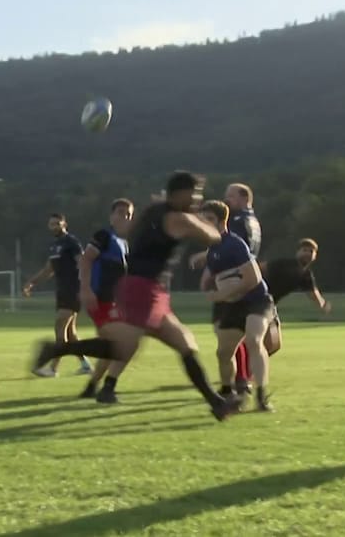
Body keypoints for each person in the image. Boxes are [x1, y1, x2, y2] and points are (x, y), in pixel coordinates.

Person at [32, 171, 241, 421]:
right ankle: (57, 349)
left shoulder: (155, 212)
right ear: (179, 194)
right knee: (123, 348)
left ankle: (217, 403)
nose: (197, 198)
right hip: (142, 289)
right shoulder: (177, 218)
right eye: (193, 193)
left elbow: (134, 233)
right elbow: (213, 236)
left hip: (146, 289)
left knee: (184, 343)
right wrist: (199, 217)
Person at [199, 200, 276, 411]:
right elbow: (218, 278)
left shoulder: (234, 244)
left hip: (257, 301)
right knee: (224, 353)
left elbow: (253, 279)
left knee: (253, 340)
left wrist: (223, 292)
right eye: (202, 220)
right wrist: (213, 290)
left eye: (210, 220)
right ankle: (228, 392)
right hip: (233, 304)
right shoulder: (212, 249)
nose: (205, 224)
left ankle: (261, 397)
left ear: (221, 221)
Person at [189, 183, 263, 395]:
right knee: (234, 336)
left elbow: (229, 245)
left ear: (243, 197)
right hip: (240, 280)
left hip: (235, 284)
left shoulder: (238, 221)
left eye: (230, 195)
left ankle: (240, 379)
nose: (227, 199)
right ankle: (240, 379)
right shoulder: (254, 221)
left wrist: (207, 267)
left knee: (227, 334)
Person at [23, 213, 92, 377]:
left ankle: (53, 368)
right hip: (61, 291)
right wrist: (32, 282)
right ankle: (85, 365)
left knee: (59, 326)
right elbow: (49, 270)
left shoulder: (71, 242)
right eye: (51, 224)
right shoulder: (54, 246)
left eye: (57, 223)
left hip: (72, 290)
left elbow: (82, 264)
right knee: (70, 333)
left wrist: (85, 287)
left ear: (64, 224)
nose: (54, 227)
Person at [78, 198, 134, 402]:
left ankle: (92, 386)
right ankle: (106, 389)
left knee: (112, 346)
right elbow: (86, 259)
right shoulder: (104, 236)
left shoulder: (123, 243)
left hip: (113, 303)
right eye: (120, 212)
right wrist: (85, 289)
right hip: (99, 300)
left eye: (128, 214)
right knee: (123, 343)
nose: (124, 217)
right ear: (111, 216)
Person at [260, 238, 332, 356]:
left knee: (275, 345)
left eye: (311, 251)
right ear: (298, 252)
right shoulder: (284, 264)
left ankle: (252, 364)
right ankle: (250, 365)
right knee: (268, 343)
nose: (307, 254)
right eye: (304, 250)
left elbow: (314, 294)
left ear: (315, 256)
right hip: (260, 301)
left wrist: (323, 305)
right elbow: (260, 267)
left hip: (270, 305)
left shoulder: (305, 275)